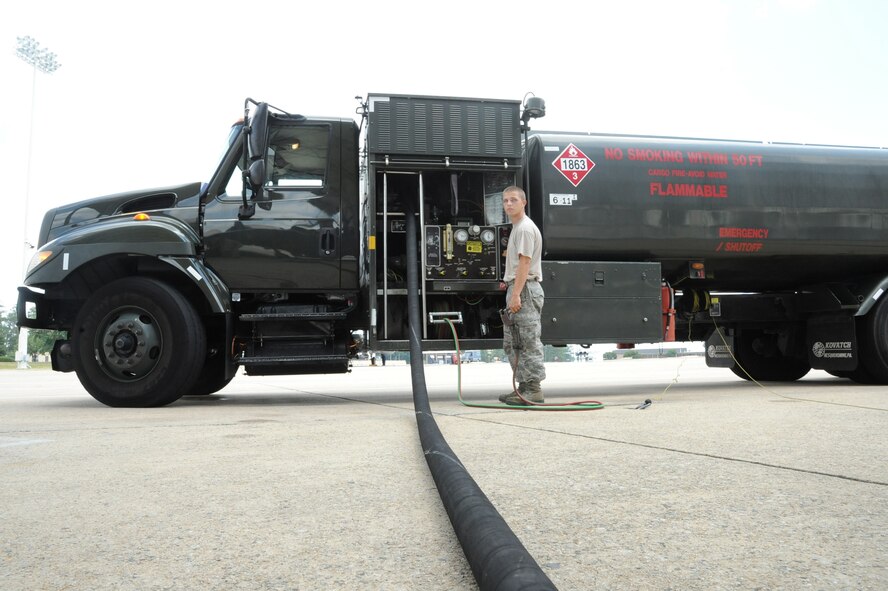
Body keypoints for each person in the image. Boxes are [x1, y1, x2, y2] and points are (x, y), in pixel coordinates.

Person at [497, 186, 546, 405]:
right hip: (518, 288)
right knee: (514, 342)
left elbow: (525, 263)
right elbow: (518, 264)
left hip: (524, 290)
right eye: (505, 200)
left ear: (523, 203)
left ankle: (534, 390)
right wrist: (508, 282)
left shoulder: (524, 228)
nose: (509, 204)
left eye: (513, 200)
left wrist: (515, 294)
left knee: (527, 341)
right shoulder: (518, 227)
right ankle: (523, 387)